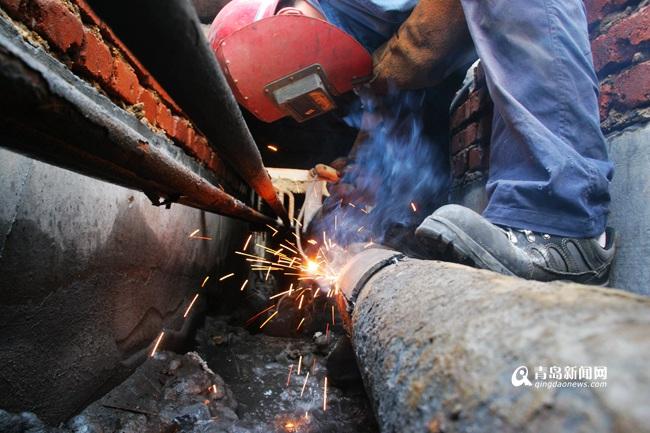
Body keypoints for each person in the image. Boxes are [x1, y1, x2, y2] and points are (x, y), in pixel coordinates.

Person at [209, 0, 615, 285]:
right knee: (405, 103)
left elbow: (412, 58)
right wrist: (357, 179)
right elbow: (389, 106)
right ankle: (407, 234)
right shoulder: (365, 28)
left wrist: (397, 62)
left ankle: (559, 227)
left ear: (290, 21)